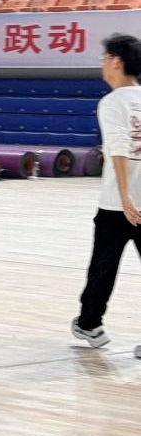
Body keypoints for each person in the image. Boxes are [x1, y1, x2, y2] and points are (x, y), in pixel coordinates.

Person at [73, 34, 141, 350]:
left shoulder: (113, 102)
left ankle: (90, 324)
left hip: (118, 205)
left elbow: (118, 146)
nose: (102, 65)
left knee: (103, 267)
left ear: (116, 62)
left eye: (104, 58)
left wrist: (126, 196)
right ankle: (88, 323)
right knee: (104, 267)